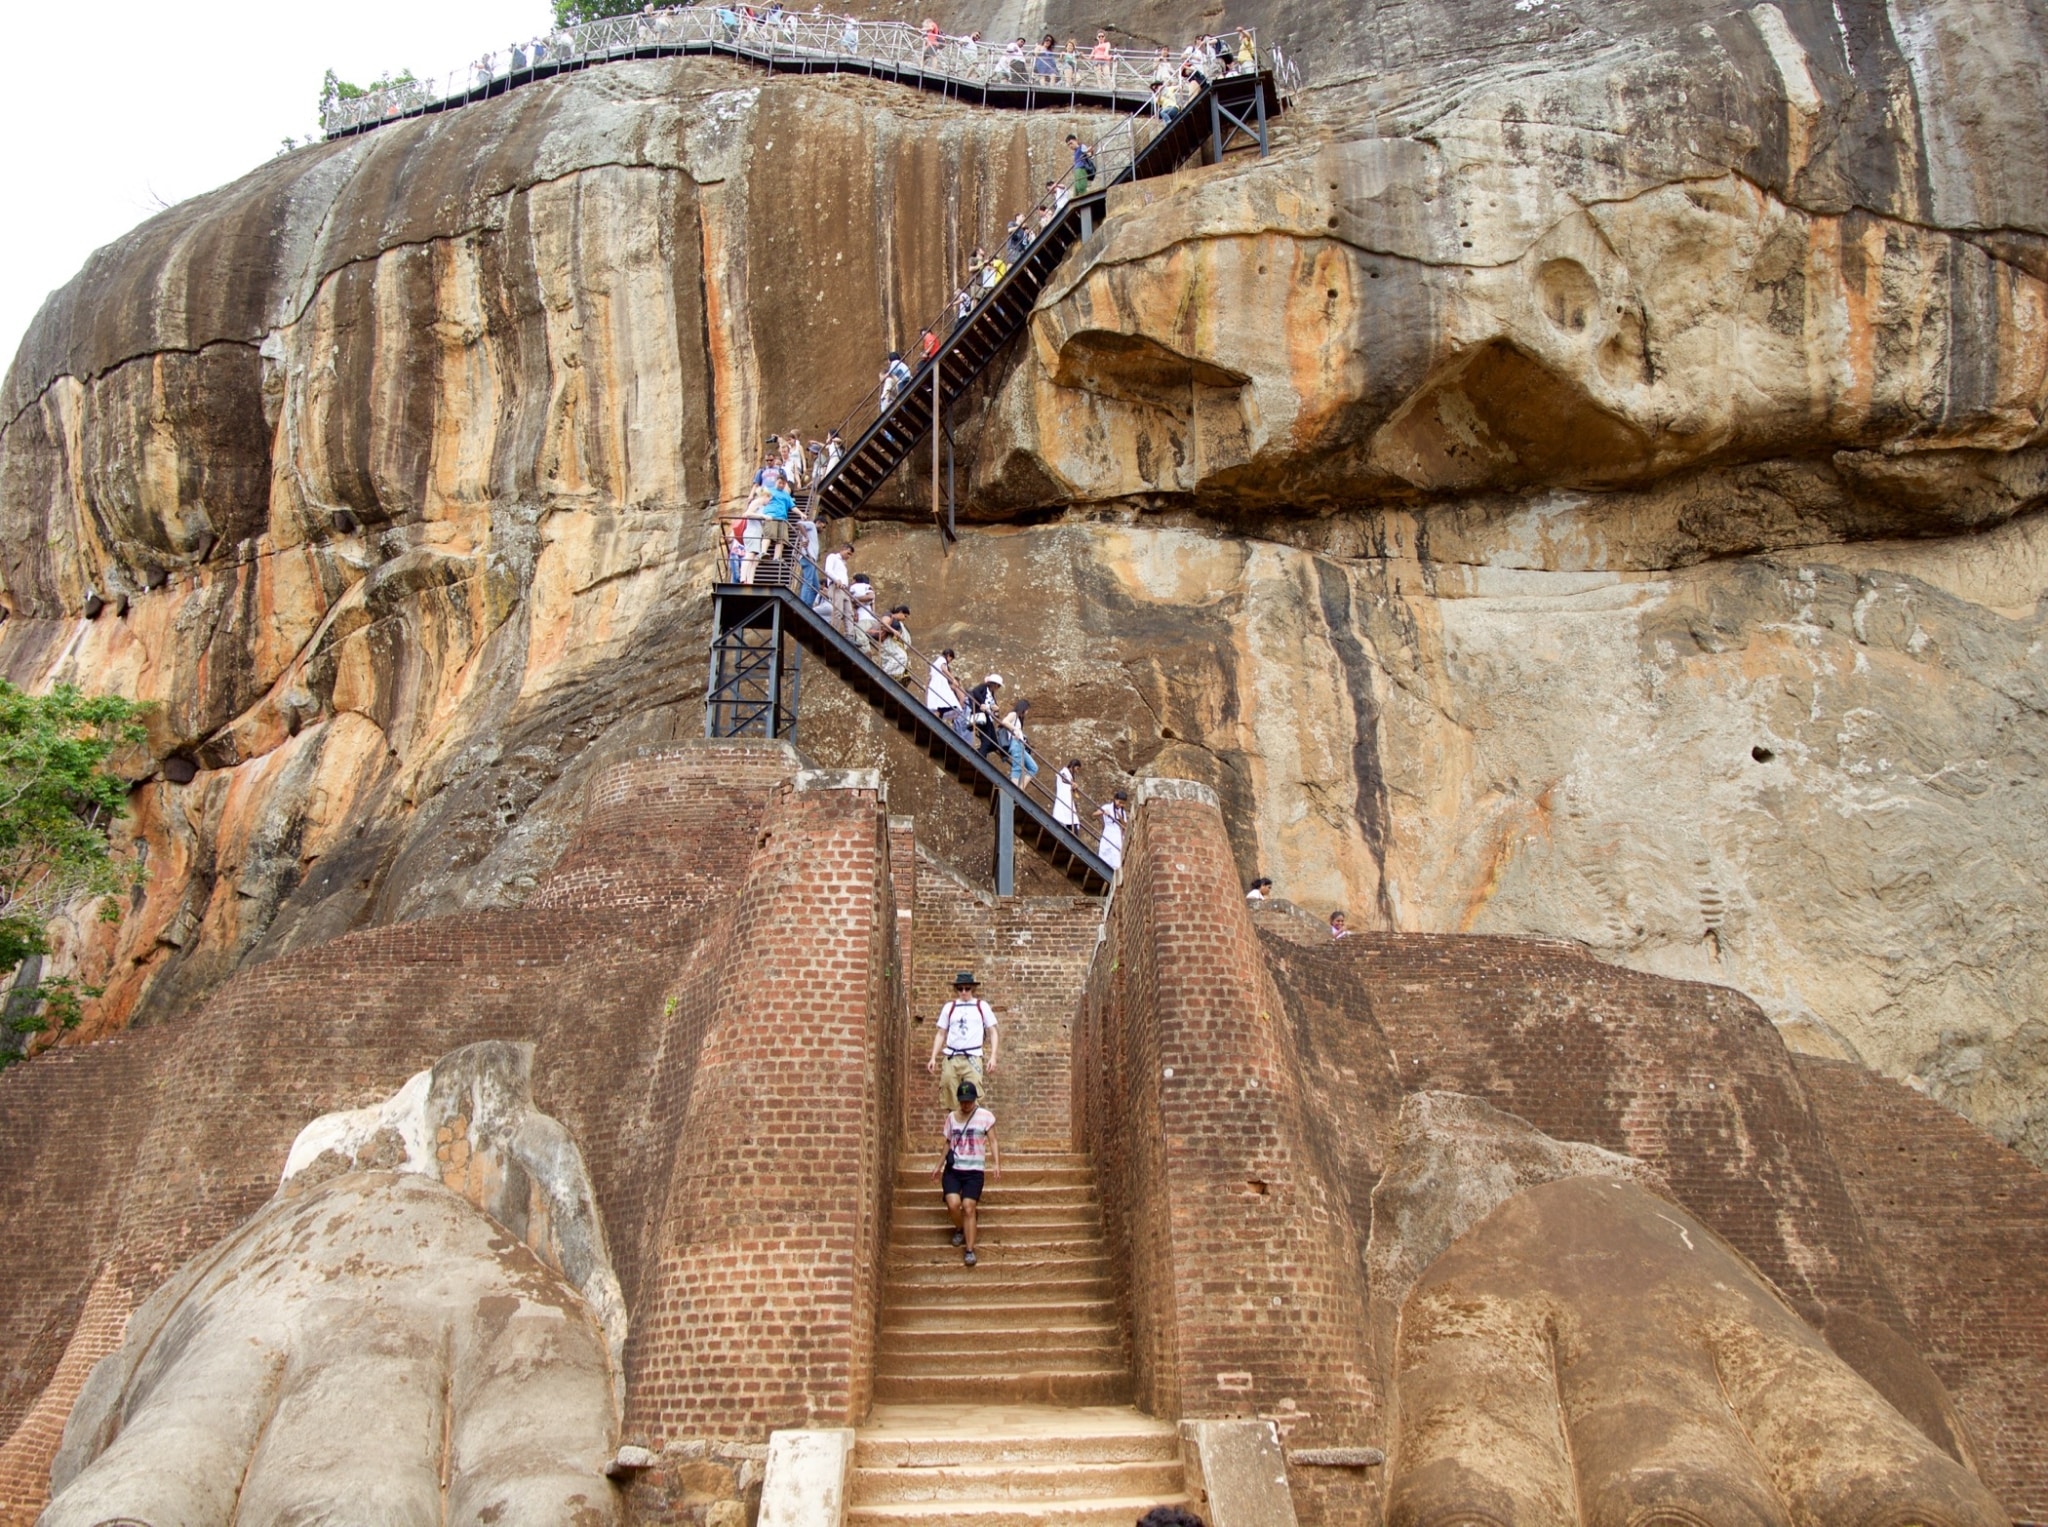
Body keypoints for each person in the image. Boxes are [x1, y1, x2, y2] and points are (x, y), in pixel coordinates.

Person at [936, 1078, 997, 1267]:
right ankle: (960, 1228)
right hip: (954, 1170)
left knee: (969, 1207)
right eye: (963, 1101)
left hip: (974, 1171)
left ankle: (969, 1250)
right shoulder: (952, 1118)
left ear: (974, 1099)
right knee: (953, 1204)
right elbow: (948, 1143)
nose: (966, 1104)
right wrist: (938, 1166)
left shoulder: (985, 1116)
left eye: (969, 1101)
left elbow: (993, 1140)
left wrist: (997, 1163)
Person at [927, 970, 998, 1111]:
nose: (964, 991)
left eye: (967, 988)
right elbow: (941, 1033)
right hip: (952, 1056)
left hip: (972, 1056)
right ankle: (956, 1124)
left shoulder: (981, 1006)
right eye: (960, 989)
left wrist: (993, 1056)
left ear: (972, 988)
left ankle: (971, 1126)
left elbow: (993, 1031)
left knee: (974, 1091)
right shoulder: (950, 1007)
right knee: (948, 1086)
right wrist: (933, 1057)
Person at [966, 673, 1006, 762]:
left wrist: (996, 709)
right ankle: (980, 758)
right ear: (995, 685)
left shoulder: (991, 693)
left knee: (994, 743)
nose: (998, 688)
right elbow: (975, 692)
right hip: (983, 717)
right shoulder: (984, 687)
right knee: (987, 740)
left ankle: (979, 753)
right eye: (998, 686)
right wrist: (982, 703)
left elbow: (993, 706)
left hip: (988, 718)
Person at [1001, 698, 1038, 785]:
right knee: (1017, 767)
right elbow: (1004, 721)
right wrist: (1015, 730)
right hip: (1015, 743)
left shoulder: (1019, 719)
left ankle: (1021, 788)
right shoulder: (1013, 714)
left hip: (1020, 745)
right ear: (1023, 708)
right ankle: (1015, 790)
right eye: (1027, 710)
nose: (1027, 712)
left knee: (1033, 768)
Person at [823, 540, 854, 633]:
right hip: (836, 586)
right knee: (838, 611)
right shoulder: (833, 557)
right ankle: (833, 632)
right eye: (848, 553)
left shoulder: (843, 564)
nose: (848, 556)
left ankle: (850, 635)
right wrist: (836, 579)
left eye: (850, 555)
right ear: (843, 549)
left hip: (844, 589)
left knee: (849, 613)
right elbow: (828, 570)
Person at [924, 646, 962, 721]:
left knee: (940, 704)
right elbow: (943, 669)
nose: (950, 661)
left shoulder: (937, 661)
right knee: (946, 702)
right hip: (939, 684)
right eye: (951, 659)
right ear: (948, 655)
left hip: (936, 683)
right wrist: (953, 679)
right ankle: (937, 717)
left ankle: (937, 717)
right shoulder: (942, 659)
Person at [1097, 789, 1127, 872]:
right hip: (1108, 833)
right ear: (1115, 799)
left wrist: (1119, 816)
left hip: (1117, 836)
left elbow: (1125, 825)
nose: (1120, 805)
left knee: (1116, 856)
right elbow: (1094, 814)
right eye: (1119, 802)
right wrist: (1103, 812)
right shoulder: (1107, 807)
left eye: (1123, 803)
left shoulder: (1122, 812)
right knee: (1105, 853)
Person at [878, 605, 911, 678]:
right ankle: (885, 674)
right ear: (900, 612)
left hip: (893, 644)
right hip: (888, 642)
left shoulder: (898, 622)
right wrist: (893, 631)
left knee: (900, 659)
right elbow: (883, 624)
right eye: (905, 616)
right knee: (901, 657)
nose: (904, 619)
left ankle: (890, 676)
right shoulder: (889, 615)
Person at [1053, 758, 1080, 827]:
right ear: (1073, 766)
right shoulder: (1064, 771)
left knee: (1073, 822)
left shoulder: (1070, 776)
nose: (1077, 771)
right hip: (1063, 799)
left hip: (1067, 801)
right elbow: (1063, 779)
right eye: (1077, 769)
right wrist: (1072, 783)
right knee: (1064, 820)